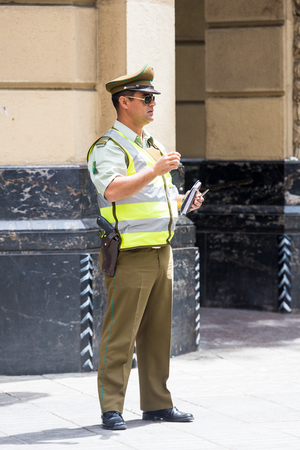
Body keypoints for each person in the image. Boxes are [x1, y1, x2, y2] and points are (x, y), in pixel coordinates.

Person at [87, 64, 204, 430]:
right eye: (146, 98)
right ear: (125, 102)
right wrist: (155, 172)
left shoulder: (153, 145)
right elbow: (113, 190)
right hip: (130, 254)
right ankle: (111, 407)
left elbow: (158, 195)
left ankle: (157, 403)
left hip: (161, 250)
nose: (153, 104)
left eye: (154, 98)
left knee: (157, 334)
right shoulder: (108, 147)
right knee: (120, 335)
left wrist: (183, 200)